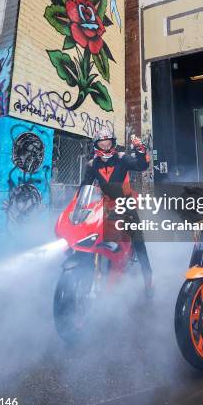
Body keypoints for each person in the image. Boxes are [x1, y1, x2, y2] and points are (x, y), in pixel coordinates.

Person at [82, 127, 154, 298]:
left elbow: (141, 165)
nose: (105, 144)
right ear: (96, 144)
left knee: (138, 241)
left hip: (125, 203)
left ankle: (148, 281)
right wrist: (79, 205)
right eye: (102, 141)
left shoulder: (122, 159)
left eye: (108, 141)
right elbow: (84, 186)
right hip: (104, 205)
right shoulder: (92, 164)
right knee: (91, 236)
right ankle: (97, 275)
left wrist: (141, 150)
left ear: (113, 142)